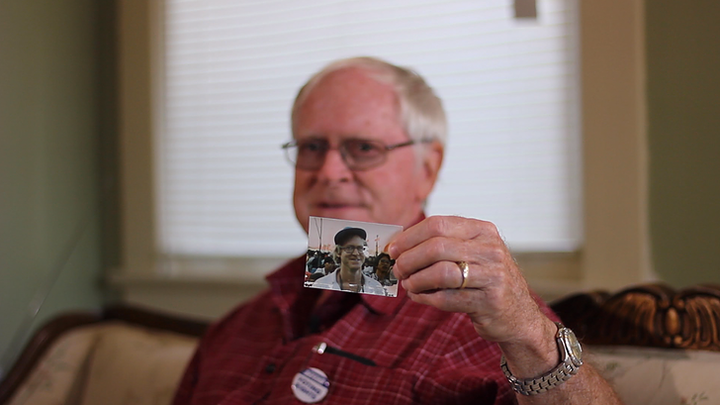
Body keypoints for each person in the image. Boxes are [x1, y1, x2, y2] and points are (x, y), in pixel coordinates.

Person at [172, 57, 623, 404]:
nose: (329, 171)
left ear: (428, 168)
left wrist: (529, 334)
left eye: (363, 148)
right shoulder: (238, 327)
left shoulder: (487, 322)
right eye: (312, 146)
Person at [311, 227, 386, 295]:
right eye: (349, 248)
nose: (356, 253)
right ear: (338, 252)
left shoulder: (377, 288)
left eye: (360, 248)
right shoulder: (320, 284)